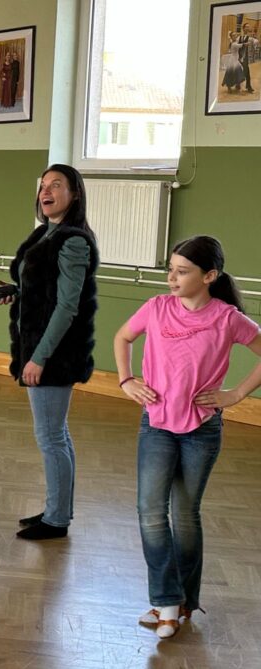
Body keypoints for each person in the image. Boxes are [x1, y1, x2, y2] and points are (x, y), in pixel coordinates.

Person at [114, 236, 261, 639]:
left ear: (209, 276)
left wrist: (236, 394)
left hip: (202, 430)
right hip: (157, 424)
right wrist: (127, 379)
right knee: (150, 511)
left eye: (182, 271)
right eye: (171, 269)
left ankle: (183, 604)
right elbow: (123, 337)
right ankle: (166, 601)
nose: (172, 278)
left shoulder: (228, 318)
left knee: (184, 514)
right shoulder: (157, 307)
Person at [0, 164, 99, 541]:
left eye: (57, 185)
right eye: (43, 185)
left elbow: (67, 306)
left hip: (55, 352)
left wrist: (39, 357)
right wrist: (16, 292)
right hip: (42, 345)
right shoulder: (47, 233)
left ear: (75, 194)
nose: (46, 190)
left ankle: (56, 521)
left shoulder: (72, 241)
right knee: (57, 435)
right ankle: (58, 510)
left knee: (51, 437)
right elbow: (47, 289)